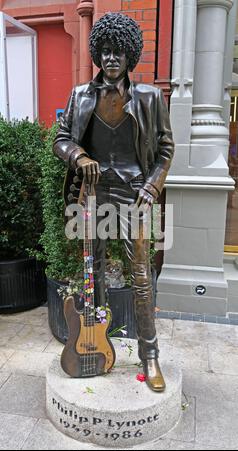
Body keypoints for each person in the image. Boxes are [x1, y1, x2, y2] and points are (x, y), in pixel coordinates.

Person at [53, 12, 174, 392]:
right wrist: (78, 156)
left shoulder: (150, 98)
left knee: (140, 275)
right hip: (92, 194)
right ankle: (100, 343)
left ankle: (150, 355)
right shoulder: (80, 95)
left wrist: (152, 187)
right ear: (96, 54)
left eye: (117, 52)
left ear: (129, 56)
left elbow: (166, 149)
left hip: (135, 194)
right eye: (104, 51)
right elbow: (60, 138)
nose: (110, 58)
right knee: (94, 270)